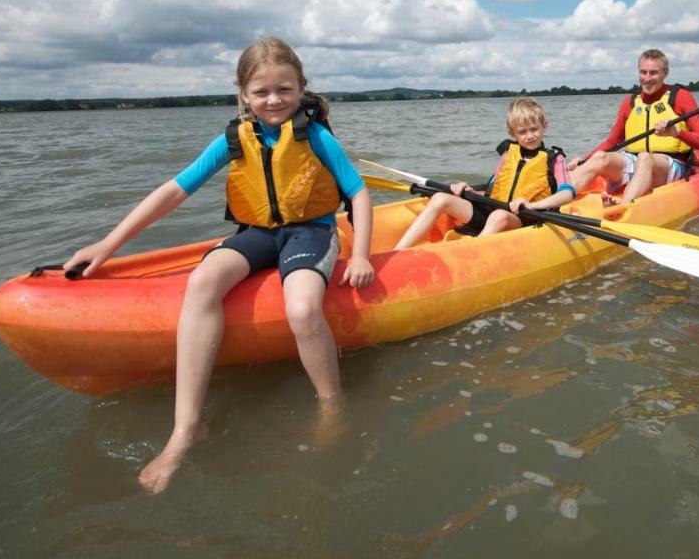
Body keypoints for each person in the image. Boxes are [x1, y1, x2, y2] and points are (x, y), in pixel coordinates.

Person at [64, 38, 374, 494]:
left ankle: (332, 405)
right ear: (244, 94)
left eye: (285, 89)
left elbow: (359, 193)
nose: (274, 100)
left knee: (304, 310)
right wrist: (109, 245)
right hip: (260, 233)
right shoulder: (232, 139)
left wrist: (362, 253)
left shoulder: (317, 136)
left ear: (302, 88)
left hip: (311, 232)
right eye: (262, 91)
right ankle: (186, 427)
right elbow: (173, 191)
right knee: (204, 280)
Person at [393, 98, 576, 249]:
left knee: (499, 216)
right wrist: (468, 191)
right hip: (492, 211)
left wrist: (533, 205)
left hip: (524, 219)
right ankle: (398, 251)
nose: (530, 136)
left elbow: (568, 193)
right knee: (441, 198)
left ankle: (467, 257)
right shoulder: (508, 154)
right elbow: (492, 188)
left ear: (544, 126)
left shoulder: (554, 158)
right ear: (513, 133)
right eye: (523, 132)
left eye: (534, 129)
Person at [567, 49, 699, 205]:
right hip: (635, 160)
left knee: (645, 158)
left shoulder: (680, 97)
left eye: (653, 73)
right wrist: (585, 158)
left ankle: (623, 208)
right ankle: (555, 199)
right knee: (600, 157)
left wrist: (677, 133)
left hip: (672, 163)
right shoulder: (630, 102)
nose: (647, 78)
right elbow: (612, 142)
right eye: (643, 72)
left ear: (665, 73)